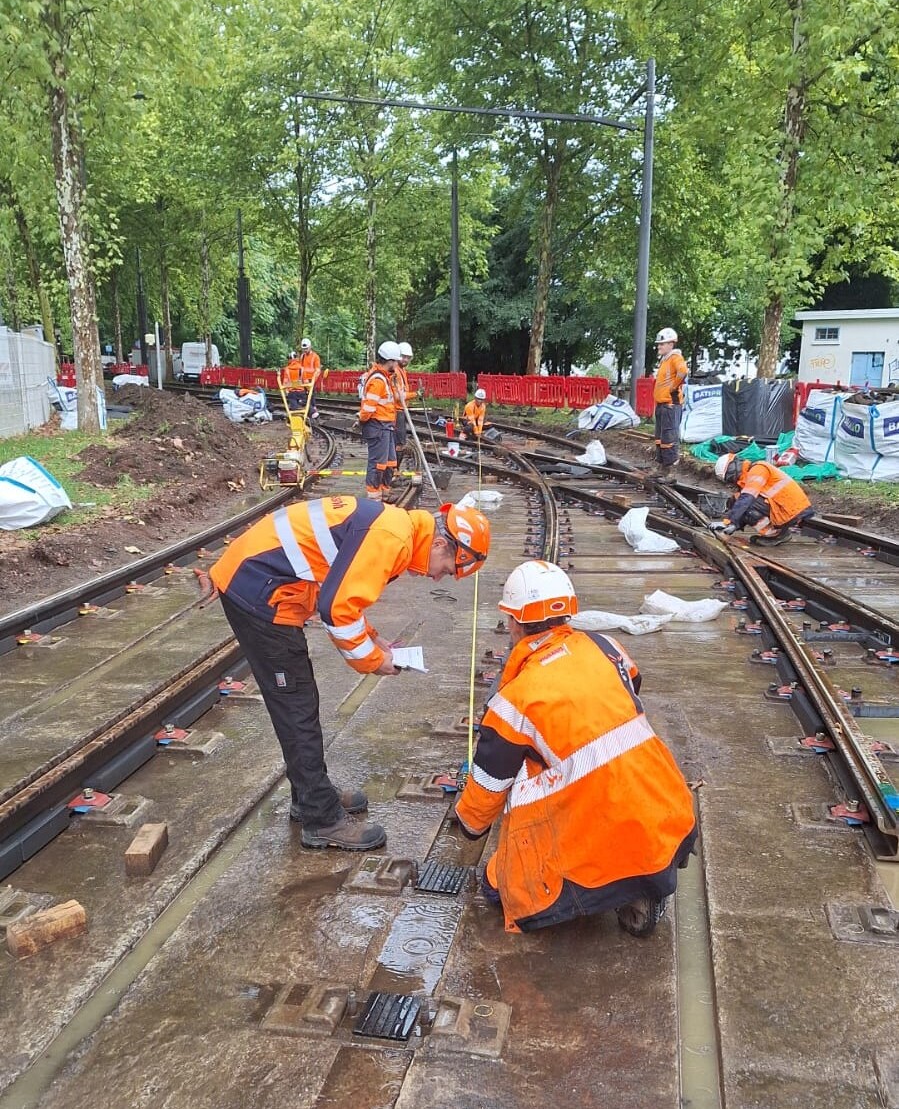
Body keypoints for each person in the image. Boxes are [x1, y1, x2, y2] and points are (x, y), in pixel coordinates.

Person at [209, 495, 491, 851]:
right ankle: (320, 819)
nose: (438, 578)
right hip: (256, 590)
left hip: (262, 578)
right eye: (447, 568)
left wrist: (375, 640)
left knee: (299, 702)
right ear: (438, 544)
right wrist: (375, 661)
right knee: (296, 705)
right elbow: (336, 610)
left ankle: (312, 794)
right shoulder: (394, 540)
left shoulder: (396, 529)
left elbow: (341, 589)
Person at [453, 560, 697, 936]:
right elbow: (632, 687)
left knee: (497, 884)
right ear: (567, 610)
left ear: (514, 622)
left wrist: (469, 827)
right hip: (665, 810)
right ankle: (641, 885)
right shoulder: (607, 645)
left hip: (591, 824)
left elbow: (488, 784)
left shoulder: (516, 698)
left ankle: (605, 889)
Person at [709, 453, 815, 545]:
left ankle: (776, 535)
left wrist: (728, 522)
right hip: (785, 507)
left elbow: (747, 498)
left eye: (729, 477)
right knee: (736, 500)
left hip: (792, 509)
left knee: (746, 505)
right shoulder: (749, 475)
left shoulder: (758, 469)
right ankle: (777, 532)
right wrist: (734, 525)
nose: (731, 481)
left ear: (733, 469)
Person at [359, 341, 401, 501]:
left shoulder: (386, 378)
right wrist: (363, 421)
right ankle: (374, 499)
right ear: (389, 361)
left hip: (387, 427)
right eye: (395, 361)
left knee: (390, 462)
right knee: (378, 464)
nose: (397, 364)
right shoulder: (378, 381)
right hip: (378, 427)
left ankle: (384, 493)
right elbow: (368, 409)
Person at [652, 327, 688, 471]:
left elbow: (683, 371)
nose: (659, 346)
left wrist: (673, 387)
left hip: (670, 404)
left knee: (669, 437)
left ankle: (670, 470)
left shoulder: (675, 358)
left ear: (671, 344)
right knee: (660, 438)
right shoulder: (665, 360)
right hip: (662, 405)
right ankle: (662, 466)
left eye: (662, 344)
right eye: (659, 344)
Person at [394, 341, 414, 466]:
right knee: (399, 443)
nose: (405, 359)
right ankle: (394, 470)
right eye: (403, 356)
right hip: (396, 411)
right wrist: (416, 394)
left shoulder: (402, 371)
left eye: (408, 357)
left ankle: (394, 469)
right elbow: (398, 396)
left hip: (401, 409)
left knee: (399, 442)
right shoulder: (396, 372)